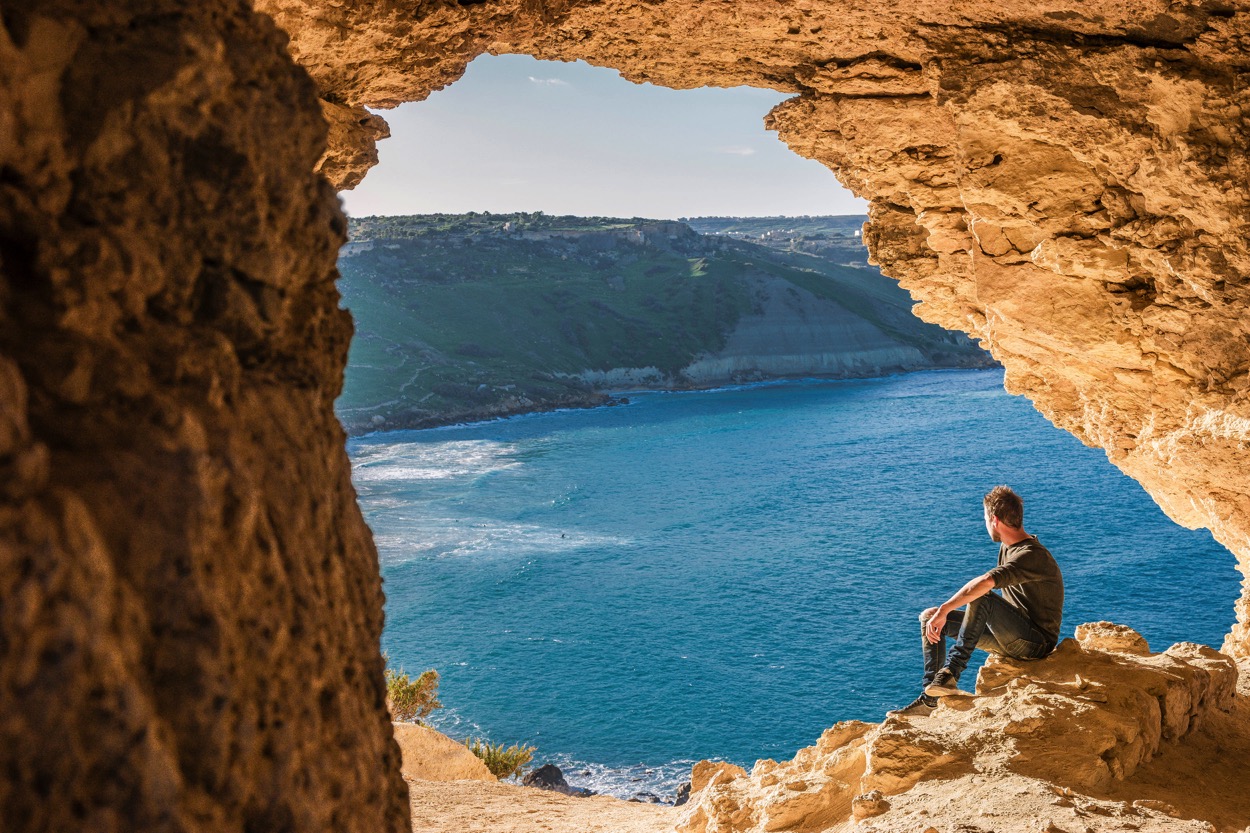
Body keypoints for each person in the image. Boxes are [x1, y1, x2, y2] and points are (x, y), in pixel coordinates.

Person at [889, 485, 1064, 717]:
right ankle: (930, 698)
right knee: (930, 618)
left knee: (982, 597)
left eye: (984, 518)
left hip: (1035, 643)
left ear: (994, 520)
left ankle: (950, 673)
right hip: (1011, 636)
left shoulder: (1031, 555)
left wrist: (946, 608)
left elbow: (984, 583)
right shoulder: (1008, 547)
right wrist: (940, 614)